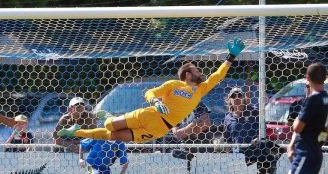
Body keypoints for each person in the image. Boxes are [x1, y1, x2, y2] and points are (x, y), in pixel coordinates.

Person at [58, 38, 245, 143]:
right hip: (149, 115)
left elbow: (218, 75)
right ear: (187, 74)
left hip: (159, 129)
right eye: (196, 69)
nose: (200, 71)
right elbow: (149, 93)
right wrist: (155, 101)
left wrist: (231, 56)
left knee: (113, 136)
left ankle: (76, 132)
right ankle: (107, 117)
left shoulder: (201, 89)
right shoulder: (173, 84)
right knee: (108, 126)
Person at [224, 87, 286, 174]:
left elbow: (264, 131)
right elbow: (227, 141)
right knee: (266, 149)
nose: (237, 98)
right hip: (239, 156)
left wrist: (257, 139)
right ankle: (272, 164)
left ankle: (268, 172)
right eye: (234, 96)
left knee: (264, 144)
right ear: (229, 100)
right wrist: (225, 157)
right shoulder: (227, 118)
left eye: (239, 95)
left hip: (255, 150)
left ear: (244, 97)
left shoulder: (254, 111)